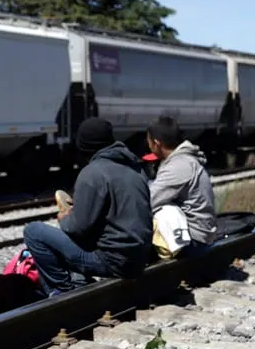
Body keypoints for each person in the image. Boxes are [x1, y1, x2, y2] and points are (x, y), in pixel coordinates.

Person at [22, 117, 152, 295]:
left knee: (34, 231)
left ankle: (61, 291)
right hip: (139, 259)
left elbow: (77, 228)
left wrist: (65, 217)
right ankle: (79, 281)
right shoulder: (136, 169)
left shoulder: (92, 173)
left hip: (111, 261)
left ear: (82, 145)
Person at [145, 116, 218, 257]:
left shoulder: (178, 166)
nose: (148, 146)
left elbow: (148, 200)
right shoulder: (184, 161)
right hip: (200, 235)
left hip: (193, 240)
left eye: (148, 142)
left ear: (156, 143)